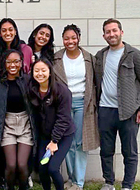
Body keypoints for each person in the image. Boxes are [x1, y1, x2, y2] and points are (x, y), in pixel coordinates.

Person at [95, 18, 140, 190]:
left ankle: (127, 185)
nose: (111, 34)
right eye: (108, 32)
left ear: (121, 32)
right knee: (106, 151)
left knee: (129, 152)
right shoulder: (101, 55)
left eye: (114, 30)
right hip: (105, 110)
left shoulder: (134, 55)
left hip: (128, 112)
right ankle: (108, 183)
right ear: (104, 35)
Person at [53, 24, 99, 190]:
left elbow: (95, 83)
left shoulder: (88, 58)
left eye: (73, 37)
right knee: (67, 143)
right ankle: (72, 179)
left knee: (80, 143)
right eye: (66, 38)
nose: (70, 41)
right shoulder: (56, 58)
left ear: (78, 38)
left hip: (82, 105)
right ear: (62, 40)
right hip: (63, 105)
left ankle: (78, 182)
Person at [29, 58, 75, 190]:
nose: (40, 73)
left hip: (63, 135)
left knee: (53, 169)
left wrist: (54, 141)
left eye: (43, 70)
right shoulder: (33, 90)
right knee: (42, 168)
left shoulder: (62, 91)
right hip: (45, 135)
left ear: (50, 72)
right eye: (36, 70)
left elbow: (64, 119)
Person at [0, 50, 35, 190]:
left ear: (21, 62)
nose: (13, 65)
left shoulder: (28, 80)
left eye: (16, 61)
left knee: (22, 165)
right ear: (4, 63)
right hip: (7, 125)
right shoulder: (0, 82)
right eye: (9, 62)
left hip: (25, 124)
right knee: (11, 165)